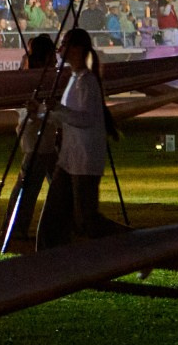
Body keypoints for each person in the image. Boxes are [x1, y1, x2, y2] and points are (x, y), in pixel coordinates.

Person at [37, 28, 119, 248]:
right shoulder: (75, 79)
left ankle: (140, 244)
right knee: (54, 217)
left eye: (64, 44)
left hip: (84, 161)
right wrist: (41, 111)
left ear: (77, 49)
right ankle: (49, 262)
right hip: (69, 159)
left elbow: (86, 119)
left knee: (87, 221)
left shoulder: (87, 82)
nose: (60, 48)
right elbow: (66, 116)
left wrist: (58, 109)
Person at [10, 35, 60, 243]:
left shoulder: (42, 76)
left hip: (45, 139)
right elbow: (28, 112)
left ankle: (67, 223)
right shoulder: (35, 78)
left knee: (57, 184)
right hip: (36, 139)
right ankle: (15, 227)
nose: (57, 60)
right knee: (29, 187)